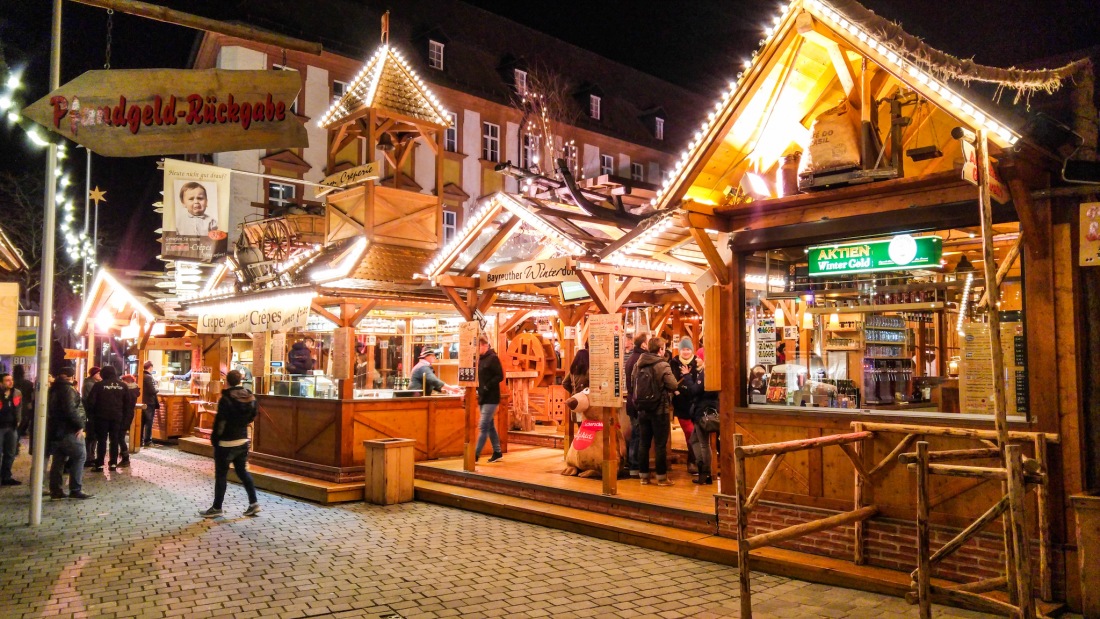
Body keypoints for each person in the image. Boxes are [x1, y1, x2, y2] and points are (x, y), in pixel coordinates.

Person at [201, 370, 260, 518]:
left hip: (226, 442)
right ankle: (254, 503)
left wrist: (215, 439)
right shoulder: (250, 397)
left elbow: (220, 421)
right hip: (242, 440)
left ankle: (217, 507)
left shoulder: (226, 398)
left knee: (221, 475)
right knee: (243, 472)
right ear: (240, 381)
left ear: (227, 381)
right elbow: (253, 415)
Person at [630, 337, 679, 486]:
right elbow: (673, 384)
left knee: (644, 444)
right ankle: (661, 477)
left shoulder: (638, 364)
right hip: (659, 409)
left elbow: (633, 383)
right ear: (660, 349)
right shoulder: (662, 364)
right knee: (659, 445)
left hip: (643, 409)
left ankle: (643, 476)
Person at [47, 367, 92, 499]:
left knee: (58, 460)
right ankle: (75, 489)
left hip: (56, 430)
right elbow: (70, 409)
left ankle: (56, 490)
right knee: (80, 456)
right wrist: (80, 425)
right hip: (69, 429)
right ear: (71, 377)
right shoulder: (67, 389)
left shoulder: (53, 388)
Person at [87, 366, 134, 471]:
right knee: (114, 440)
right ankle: (113, 463)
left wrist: (91, 417)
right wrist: (125, 420)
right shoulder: (123, 386)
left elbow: (91, 403)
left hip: (101, 417)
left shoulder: (98, 385)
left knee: (101, 441)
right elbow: (128, 405)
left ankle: (99, 464)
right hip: (117, 418)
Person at [670, 338, 701, 474]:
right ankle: (692, 461)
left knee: (697, 434)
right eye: (683, 349)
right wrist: (676, 392)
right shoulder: (674, 362)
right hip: (681, 404)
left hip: (696, 403)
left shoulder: (697, 362)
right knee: (690, 433)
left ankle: (696, 461)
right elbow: (670, 380)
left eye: (688, 349)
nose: (686, 352)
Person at [685, 364, 718, 485]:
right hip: (708, 410)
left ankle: (705, 473)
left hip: (702, 411)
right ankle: (703, 470)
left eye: (699, 357)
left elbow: (695, 390)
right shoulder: (714, 372)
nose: (696, 359)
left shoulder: (706, 373)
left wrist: (687, 377)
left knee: (704, 443)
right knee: (694, 440)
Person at [474, 335, 504, 463]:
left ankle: (475, 454)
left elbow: (500, 376)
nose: (477, 349)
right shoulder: (480, 359)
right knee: (490, 426)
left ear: (485, 346)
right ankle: (497, 452)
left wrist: (487, 386)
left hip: (491, 397)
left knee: (483, 426)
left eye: (479, 346)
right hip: (483, 397)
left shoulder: (493, 358)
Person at [623, 332, 649, 479]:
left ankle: (633, 464)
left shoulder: (632, 358)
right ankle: (635, 464)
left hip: (632, 402)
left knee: (635, 434)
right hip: (638, 403)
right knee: (638, 435)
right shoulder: (640, 360)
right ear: (644, 344)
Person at [0, 373, 23, 485]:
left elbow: (18, 407)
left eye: (11, 380)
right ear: (1, 383)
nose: (10, 382)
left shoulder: (16, 393)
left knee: (11, 453)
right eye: (7, 380)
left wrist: (18, 420)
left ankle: (6, 476)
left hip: (12, 426)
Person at [118, 375, 141, 467]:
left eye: (123, 381)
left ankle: (125, 458)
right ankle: (124, 456)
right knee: (120, 436)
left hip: (124, 416)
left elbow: (124, 404)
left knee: (120, 437)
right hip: (128, 415)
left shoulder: (128, 391)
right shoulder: (134, 390)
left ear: (126, 382)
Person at [82, 366, 102, 466]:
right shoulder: (90, 384)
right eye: (98, 373)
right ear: (93, 374)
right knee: (91, 436)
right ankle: (89, 457)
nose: (100, 375)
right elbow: (92, 399)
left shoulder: (92, 383)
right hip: (91, 414)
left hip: (92, 413)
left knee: (93, 437)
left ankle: (90, 456)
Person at [13, 365, 34, 439]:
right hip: (25, 406)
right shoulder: (28, 383)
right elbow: (31, 396)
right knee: (21, 426)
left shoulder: (12, 383)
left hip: (13, 405)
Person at [141, 361, 159, 447]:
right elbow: (153, 390)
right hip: (149, 402)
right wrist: (157, 387)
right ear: (150, 367)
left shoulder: (140, 375)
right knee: (149, 422)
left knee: (141, 422)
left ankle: (139, 440)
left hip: (142, 401)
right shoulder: (148, 377)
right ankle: (147, 441)